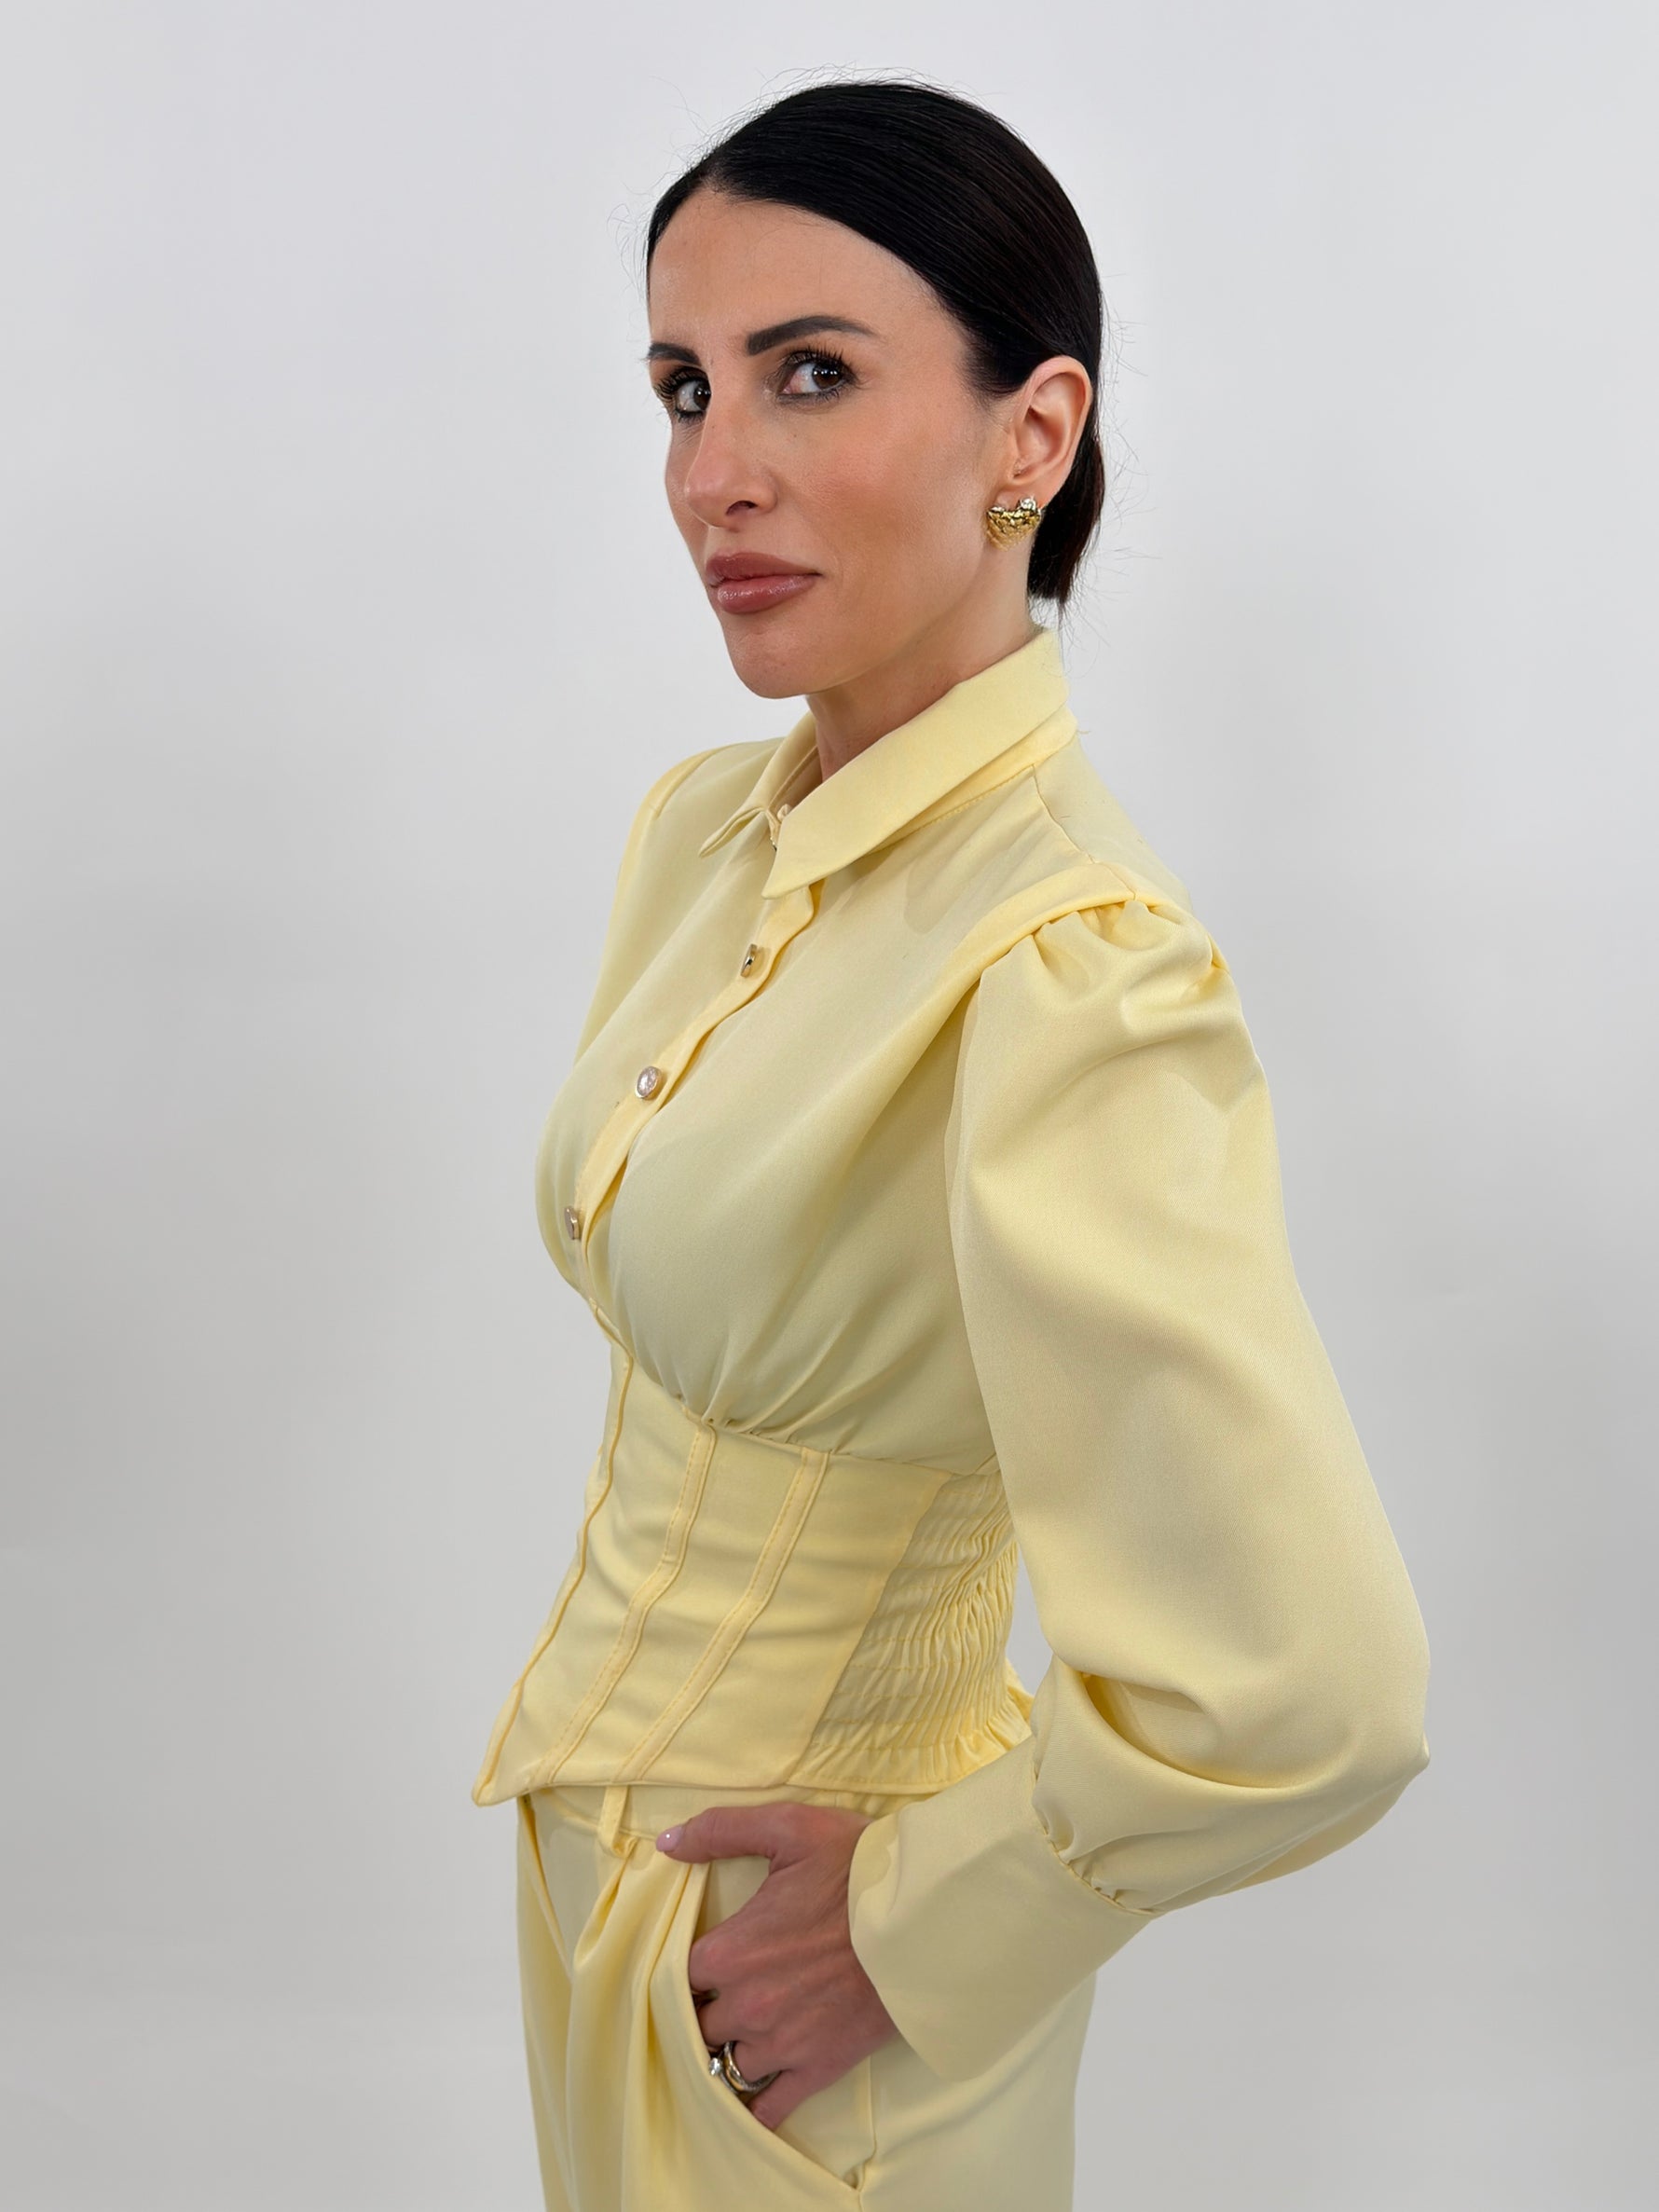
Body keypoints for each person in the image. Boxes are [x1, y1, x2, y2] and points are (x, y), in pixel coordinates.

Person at [472, 76, 1432, 2212]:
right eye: (681, 388)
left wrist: (924, 1925)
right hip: (597, 1913)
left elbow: (1310, 1685)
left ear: (1032, 433)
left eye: (808, 374)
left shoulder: (1068, 967)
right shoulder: (702, 842)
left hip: (812, 2001)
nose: (713, 472)